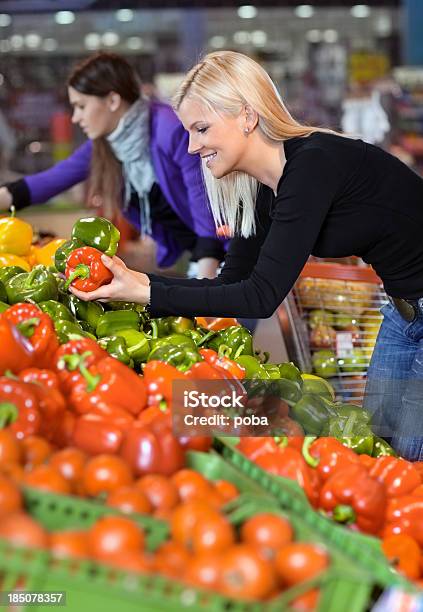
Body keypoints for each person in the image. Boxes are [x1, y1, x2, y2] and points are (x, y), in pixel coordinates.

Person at [69, 50, 423, 462]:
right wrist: (136, 284)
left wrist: (146, 291)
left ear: (247, 116)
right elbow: (228, 285)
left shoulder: (312, 165)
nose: (191, 146)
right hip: (402, 314)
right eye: (188, 131)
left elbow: (259, 296)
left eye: (201, 129)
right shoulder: (260, 191)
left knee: (409, 458)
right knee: (381, 452)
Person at [0, 52, 225, 279]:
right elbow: (51, 180)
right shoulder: (108, 143)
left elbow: (208, 209)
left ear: (112, 101)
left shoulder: (170, 130)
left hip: (230, 247)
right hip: (200, 252)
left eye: (81, 106)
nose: (75, 118)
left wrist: (205, 289)